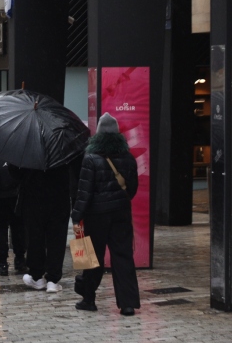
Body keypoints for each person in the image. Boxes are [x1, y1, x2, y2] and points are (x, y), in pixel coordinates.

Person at [71, 113, 141, 315]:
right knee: (123, 256)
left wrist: (77, 216)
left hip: (97, 215)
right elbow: (133, 188)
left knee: (93, 257)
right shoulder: (128, 158)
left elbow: (84, 192)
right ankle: (127, 304)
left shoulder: (90, 158)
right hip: (121, 213)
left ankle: (89, 299)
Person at [18, 158, 79, 294]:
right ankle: (52, 279)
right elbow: (76, 170)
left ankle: (37, 276)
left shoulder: (28, 147)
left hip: (33, 197)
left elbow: (15, 173)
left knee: (35, 237)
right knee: (56, 239)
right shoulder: (63, 148)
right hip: (59, 197)